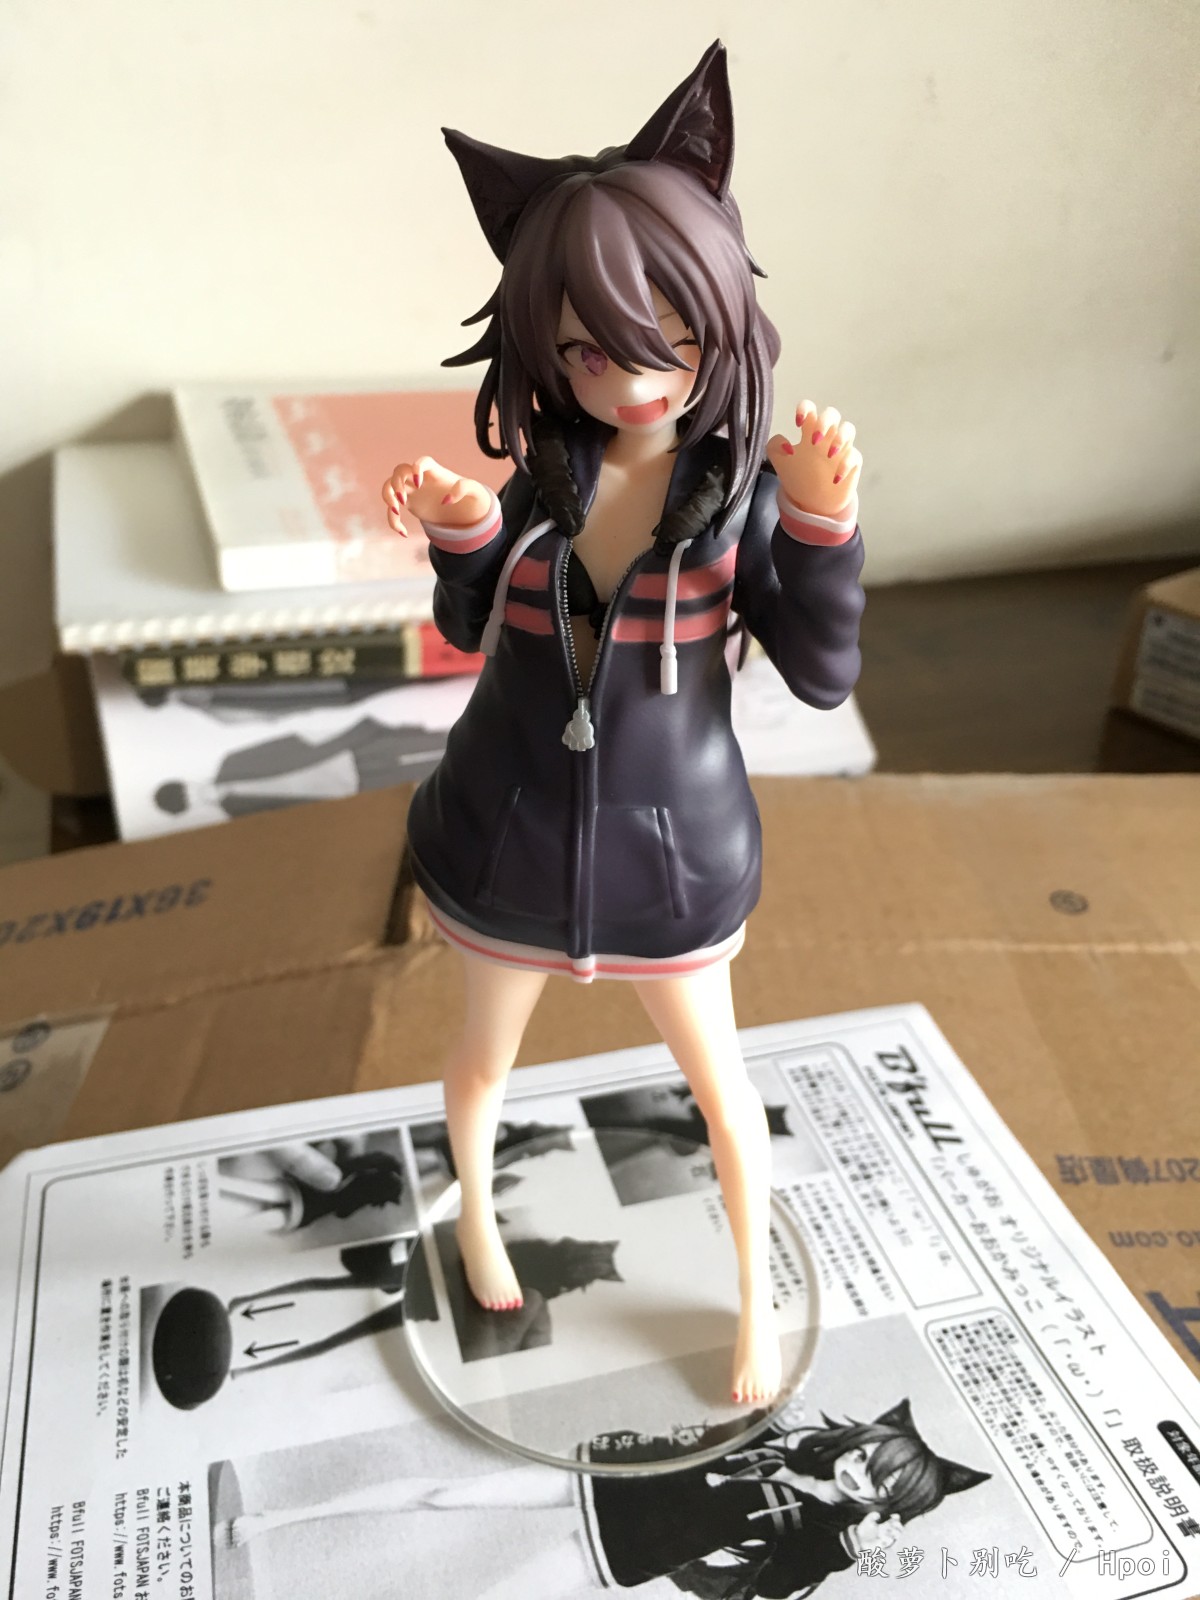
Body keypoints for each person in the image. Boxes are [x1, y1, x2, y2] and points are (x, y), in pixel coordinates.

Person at [381, 42, 865, 1402]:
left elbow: (821, 672)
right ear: (545, 353)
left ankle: (752, 1303)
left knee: (722, 1092)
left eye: (671, 338)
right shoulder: (540, 481)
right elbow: (470, 628)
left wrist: (820, 524)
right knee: (479, 1066)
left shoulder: (738, 497)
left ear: (721, 320)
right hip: (505, 837)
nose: (633, 380)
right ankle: (478, 1231)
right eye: (590, 351)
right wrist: (463, 532)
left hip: (676, 858)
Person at [222, 1399, 990, 1598]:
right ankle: (273, 1520)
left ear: (888, 1506)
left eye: (880, 1484)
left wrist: (851, 1548)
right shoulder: (785, 1437)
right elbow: (700, 1435)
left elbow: (776, 1587)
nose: (860, 1473)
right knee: (446, 1495)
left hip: (620, 1551)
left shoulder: (822, 1537)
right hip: (610, 1482)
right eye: (868, 1457)